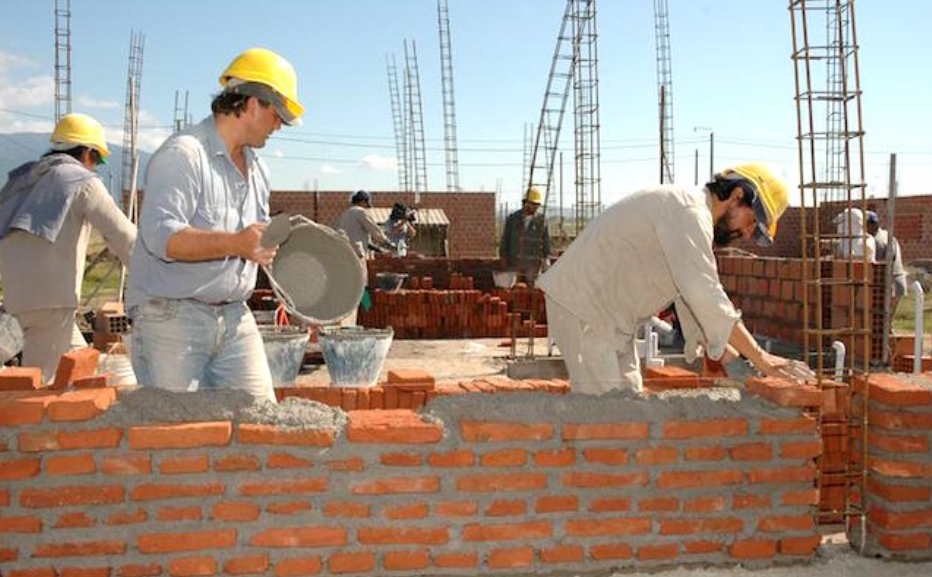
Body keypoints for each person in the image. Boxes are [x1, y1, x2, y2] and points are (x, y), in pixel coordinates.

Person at [538, 163, 813, 394]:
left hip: (606, 315)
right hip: (585, 307)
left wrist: (721, 350)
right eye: (753, 222)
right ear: (737, 195)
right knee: (604, 415)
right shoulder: (688, 212)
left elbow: (687, 294)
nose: (747, 233)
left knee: (627, 402)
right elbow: (704, 292)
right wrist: (762, 359)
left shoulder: (692, 217)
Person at [127, 47, 305, 403]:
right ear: (252, 103)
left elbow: (252, 242)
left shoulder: (258, 171)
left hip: (235, 316)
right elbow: (163, 238)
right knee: (180, 436)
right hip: (172, 318)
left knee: (261, 420)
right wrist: (236, 243)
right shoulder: (184, 155)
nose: (278, 126)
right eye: (277, 114)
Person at [0, 113, 136, 382]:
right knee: (46, 389)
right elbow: (124, 235)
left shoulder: (23, 178)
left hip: (16, 299)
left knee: (81, 364)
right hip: (51, 303)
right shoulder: (81, 181)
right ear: (86, 151)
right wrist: (156, 278)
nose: (95, 167)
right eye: (97, 159)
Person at [500, 187, 551, 284]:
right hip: (514, 263)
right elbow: (505, 241)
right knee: (514, 291)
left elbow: (546, 242)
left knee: (531, 293)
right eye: (533, 204)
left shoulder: (542, 221)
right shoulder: (512, 219)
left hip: (533, 265)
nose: (535, 207)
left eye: (537, 205)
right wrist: (503, 259)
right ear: (525, 203)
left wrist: (546, 260)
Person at [866, 209, 907, 319]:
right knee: (885, 320)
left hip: (891, 282)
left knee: (882, 318)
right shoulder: (886, 235)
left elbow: (881, 264)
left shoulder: (877, 241)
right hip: (897, 280)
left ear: (870, 225)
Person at [334, 190, 394, 259]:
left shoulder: (345, 213)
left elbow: (355, 235)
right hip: (357, 252)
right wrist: (387, 243)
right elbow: (374, 230)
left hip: (344, 251)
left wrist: (376, 249)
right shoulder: (361, 212)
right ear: (362, 201)